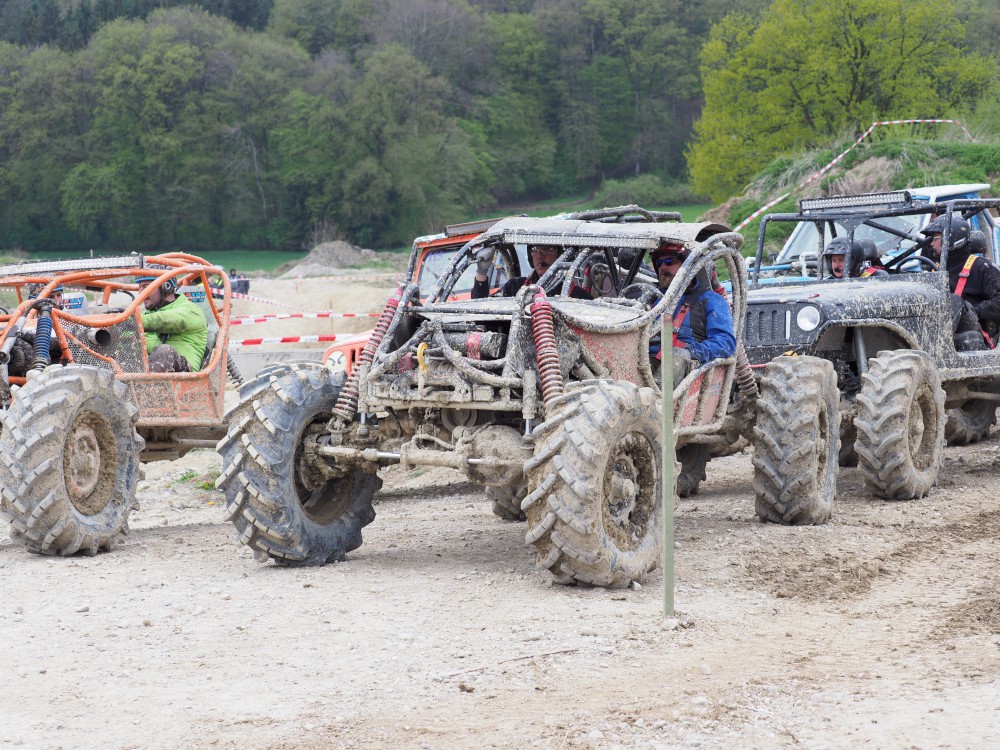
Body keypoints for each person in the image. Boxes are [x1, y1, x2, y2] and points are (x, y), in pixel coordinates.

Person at [649, 241, 736, 385]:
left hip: (687, 372)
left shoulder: (711, 300)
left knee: (675, 358)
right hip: (650, 360)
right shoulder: (653, 300)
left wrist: (691, 351)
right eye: (659, 262)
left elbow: (725, 343)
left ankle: (657, 399)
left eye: (669, 261)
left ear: (688, 266)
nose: (663, 267)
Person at [921, 215, 1000, 344]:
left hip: (974, 335)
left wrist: (974, 310)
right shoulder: (935, 269)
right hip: (939, 333)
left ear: (952, 239)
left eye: (936, 239)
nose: (931, 243)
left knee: (955, 300)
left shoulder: (982, 267)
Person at [136, 270, 208, 373]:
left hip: (184, 372)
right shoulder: (147, 315)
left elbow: (166, 320)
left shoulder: (191, 310)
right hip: (152, 370)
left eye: (146, 286)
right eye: (140, 287)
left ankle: (141, 382)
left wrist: (130, 320)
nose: (140, 292)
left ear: (166, 286)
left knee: (165, 351)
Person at [471, 244, 591, 299]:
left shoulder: (578, 296)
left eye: (547, 249)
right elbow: (483, 307)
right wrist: (482, 271)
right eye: (535, 249)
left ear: (560, 255)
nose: (540, 255)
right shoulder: (515, 287)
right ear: (530, 256)